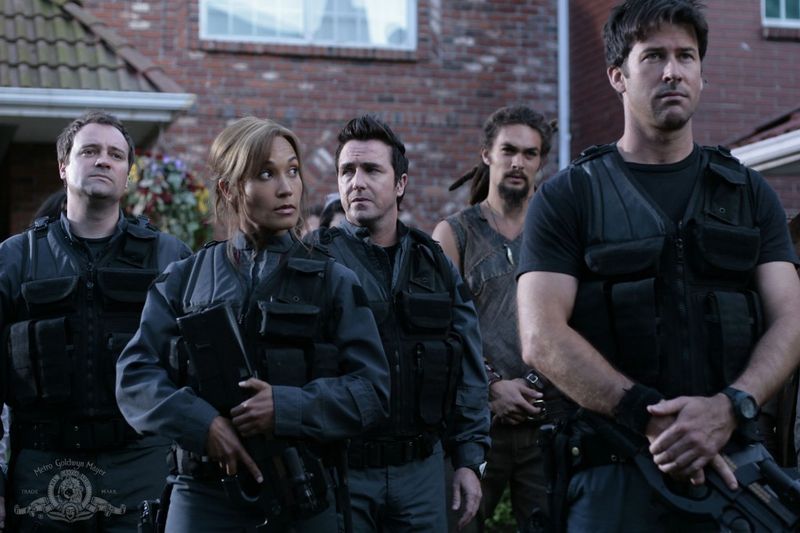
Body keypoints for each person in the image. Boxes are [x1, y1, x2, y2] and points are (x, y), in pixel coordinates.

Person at [516, 1, 800, 531]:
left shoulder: (748, 194)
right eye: (653, 56)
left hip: (735, 475)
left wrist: (730, 408)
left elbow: (792, 318)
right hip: (613, 476)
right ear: (617, 76)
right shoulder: (569, 197)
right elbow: (540, 337)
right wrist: (651, 420)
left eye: (686, 56)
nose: (673, 71)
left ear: (701, 73)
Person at [115, 116, 390, 532]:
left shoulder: (333, 281)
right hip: (204, 495)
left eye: (292, 171)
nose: (286, 188)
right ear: (229, 189)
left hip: (301, 494)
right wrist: (203, 424)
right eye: (266, 174)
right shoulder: (184, 279)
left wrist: (286, 406)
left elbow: (372, 391)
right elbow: (134, 376)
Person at [0, 110, 192, 532]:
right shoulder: (15, 259)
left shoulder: (170, 258)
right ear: (63, 166)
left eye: (115, 155)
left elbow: (197, 371)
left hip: (141, 467)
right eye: (89, 151)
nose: (103, 160)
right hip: (43, 470)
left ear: (127, 175)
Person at [306, 115, 491, 532]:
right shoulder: (311, 261)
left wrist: (469, 459)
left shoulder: (434, 264)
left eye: (372, 170)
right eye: (347, 171)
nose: (357, 182)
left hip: (420, 471)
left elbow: (468, 366)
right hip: (341, 469)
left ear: (400, 184)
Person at [432, 105, 555, 532]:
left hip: (546, 422)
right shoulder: (454, 233)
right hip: (476, 427)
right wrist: (490, 388)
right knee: (458, 526)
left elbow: (576, 319)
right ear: (487, 154)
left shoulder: (556, 230)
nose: (518, 162)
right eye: (508, 150)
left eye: (529, 153)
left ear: (541, 161)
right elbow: (440, 332)